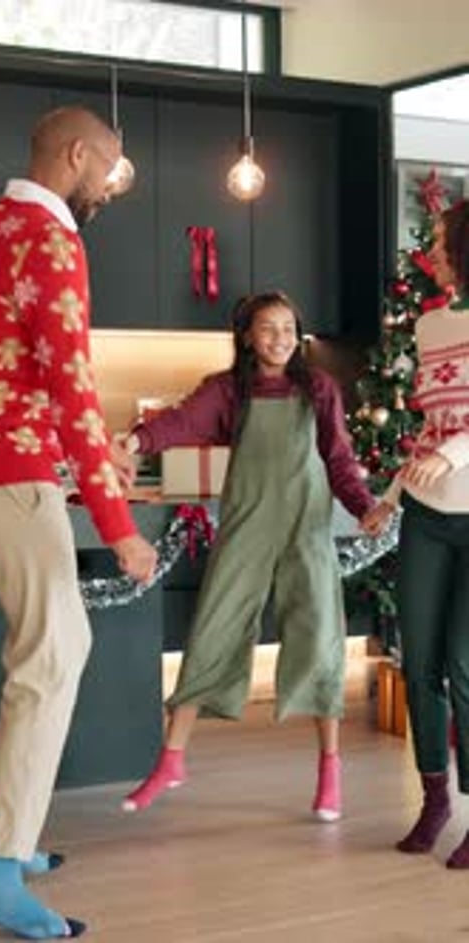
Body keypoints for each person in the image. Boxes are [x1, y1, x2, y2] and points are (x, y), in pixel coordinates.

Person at [0, 106, 156, 939]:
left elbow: (11, 363)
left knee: (35, 650)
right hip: (8, 474)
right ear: (77, 155)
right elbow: (75, 385)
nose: (106, 188)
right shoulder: (51, 239)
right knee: (54, 653)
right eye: (107, 170)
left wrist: (79, 457)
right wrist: (118, 524)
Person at [119, 290, 378, 821]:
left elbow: (339, 460)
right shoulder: (228, 391)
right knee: (213, 629)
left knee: (319, 638)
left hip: (307, 530)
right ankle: (172, 760)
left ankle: (330, 772)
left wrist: (365, 507)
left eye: (288, 328)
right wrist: (136, 442)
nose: (280, 338)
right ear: (247, 337)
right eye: (267, 328)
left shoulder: (320, 389)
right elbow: (182, 422)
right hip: (247, 527)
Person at [362, 199, 469, 868]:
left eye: (438, 238)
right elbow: (429, 429)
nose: (430, 248)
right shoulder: (432, 326)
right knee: (420, 661)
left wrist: (454, 456)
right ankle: (434, 798)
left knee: (464, 662)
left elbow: (450, 443)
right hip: (427, 515)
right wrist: (390, 496)